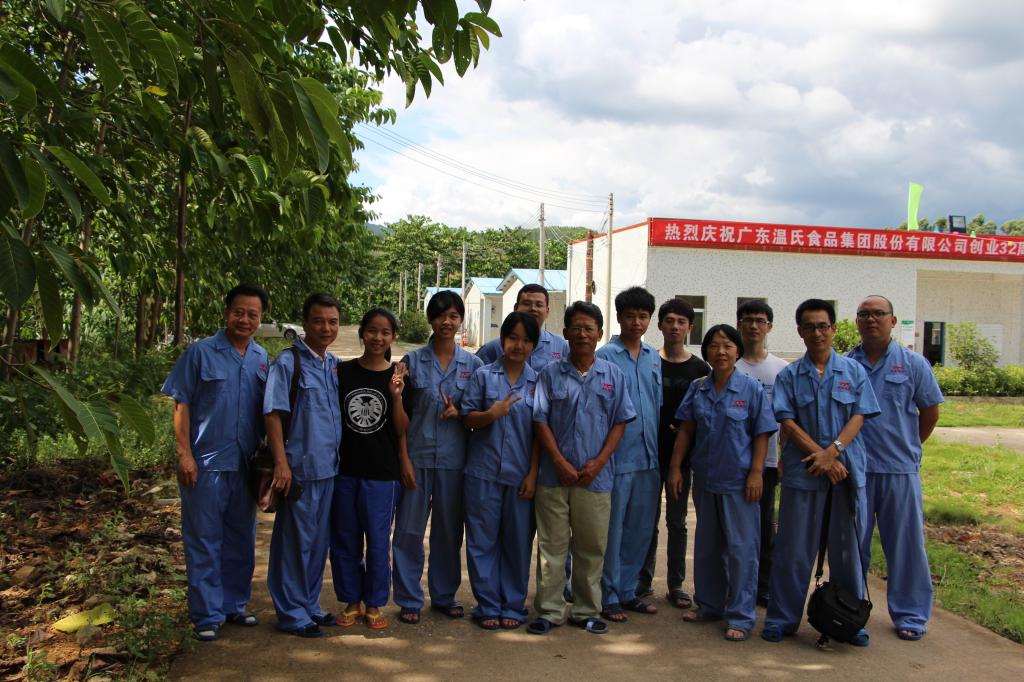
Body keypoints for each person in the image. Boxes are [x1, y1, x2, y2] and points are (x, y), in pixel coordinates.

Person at [762, 299, 880, 645]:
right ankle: (781, 619)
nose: (817, 333)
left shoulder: (853, 372)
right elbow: (786, 420)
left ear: (833, 329)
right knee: (793, 549)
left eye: (823, 326)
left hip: (845, 473)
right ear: (800, 331)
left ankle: (850, 619)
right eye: (810, 327)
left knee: (848, 551)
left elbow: (859, 415)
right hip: (805, 473)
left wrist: (834, 452)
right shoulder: (789, 375)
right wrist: (821, 455)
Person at [161, 284, 270, 642]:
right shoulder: (200, 353)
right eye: (239, 312)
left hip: (245, 466)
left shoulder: (260, 358)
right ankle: (206, 614)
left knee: (241, 538)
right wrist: (185, 455)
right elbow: (181, 404)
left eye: (252, 314)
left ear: (261, 318)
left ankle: (234, 604)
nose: (245, 319)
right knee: (204, 540)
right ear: (227, 312)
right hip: (205, 464)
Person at [528, 301, 636, 636]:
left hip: (596, 478)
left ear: (600, 334)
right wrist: (559, 462)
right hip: (553, 477)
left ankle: (586, 610)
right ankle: (549, 610)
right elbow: (540, 421)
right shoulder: (549, 374)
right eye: (576, 327)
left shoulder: (613, 376)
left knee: (591, 547)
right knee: (551, 547)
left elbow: (620, 422)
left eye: (589, 328)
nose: (582, 334)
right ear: (565, 333)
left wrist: (599, 461)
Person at [668, 324, 776, 641]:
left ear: (737, 350)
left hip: (740, 483)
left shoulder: (751, 389)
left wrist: (756, 472)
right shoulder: (699, 387)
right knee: (708, 548)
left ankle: (741, 616)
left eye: (728, 345)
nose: (721, 352)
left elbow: (762, 433)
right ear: (706, 352)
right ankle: (710, 605)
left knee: (742, 550)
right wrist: (675, 468)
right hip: (707, 480)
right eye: (714, 346)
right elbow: (686, 430)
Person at [848, 295, 943, 641]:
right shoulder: (847, 365)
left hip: (899, 470)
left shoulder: (913, 364)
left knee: (906, 546)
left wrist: (910, 446)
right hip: (857, 471)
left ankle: (910, 614)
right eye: (864, 314)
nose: (871, 319)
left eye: (878, 314)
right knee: (851, 547)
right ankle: (850, 612)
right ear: (857, 322)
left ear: (892, 320)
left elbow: (930, 411)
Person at [393, 290, 483, 624]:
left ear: (461, 321)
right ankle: (408, 598)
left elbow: (477, 415)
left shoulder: (473, 366)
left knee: (448, 532)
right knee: (409, 531)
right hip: (416, 459)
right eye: (441, 315)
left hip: (454, 461)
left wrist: (460, 413)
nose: (447, 322)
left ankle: (444, 595)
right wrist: (403, 459)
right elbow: (400, 417)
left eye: (453, 316)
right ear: (431, 319)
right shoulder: (412, 362)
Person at [264, 293, 343, 638]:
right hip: (300, 469)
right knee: (294, 542)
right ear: (305, 324)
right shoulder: (288, 362)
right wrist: (281, 463)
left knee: (317, 542)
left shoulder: (332, 364)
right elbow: (272, 413)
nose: (326, 328)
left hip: (329, 468)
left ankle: (309, 604)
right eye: (318, 321)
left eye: (333, 322)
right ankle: (291, 612)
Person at [328, 308, 412, 630]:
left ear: (393, 337)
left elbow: (401, 428)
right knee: (345, 539)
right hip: (345, 470)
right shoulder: (342, 372)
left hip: (382, 474)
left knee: (378, 542)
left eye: (385, 332)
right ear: (362, 333)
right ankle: (352, 601)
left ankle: (375, 602)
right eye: (372, 331)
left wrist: (396, 396)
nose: (378, 338)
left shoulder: (399, 378)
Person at [461, 312, 541, 630]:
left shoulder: (538, 382)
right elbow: (467, 419)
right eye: (513, 338)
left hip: (520, 476)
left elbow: (540, 434)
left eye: (526, 340)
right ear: (503, 339)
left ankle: (513, 604)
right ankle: (488, 605)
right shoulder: (483, 376)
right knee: (482, 541)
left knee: (518, 543)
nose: (518, 345)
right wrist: (490, 414)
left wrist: (533, 475)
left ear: (534, 345)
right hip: (483, 472)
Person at [595, 287, 662, 622]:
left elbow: (656, 403)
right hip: (617, 459)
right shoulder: (605, 357)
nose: (637, 322)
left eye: (643, 316)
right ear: (619, 317)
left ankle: (627, 590)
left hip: (649, 458)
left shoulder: (653, 357)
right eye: (630, 316)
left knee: (640, 529)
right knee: (613, 530)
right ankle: (608, 594)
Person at [637, 298, 709, 609]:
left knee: (677, 522)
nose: (675, 327)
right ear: (660, 325)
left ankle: (676, 584)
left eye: (681, 322)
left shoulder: (700, 369)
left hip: (683, 458)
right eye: (669, 321)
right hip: (649, 455)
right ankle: (642, 581)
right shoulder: (649, 360)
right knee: (646, 521)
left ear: (690, 327)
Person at [734, 300, 789, 606]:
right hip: (733, 461)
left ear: (769, 327)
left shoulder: (781, 369)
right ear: (739, 324)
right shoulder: (729, 365)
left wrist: (782, 458)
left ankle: (763, 586)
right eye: (747, 320)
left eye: (760, 320)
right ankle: (733, 584)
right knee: (734, 527)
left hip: (767, 462)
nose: (753, 326)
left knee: (764, 525)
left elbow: (788, 420)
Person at [477, 283, 569, 371]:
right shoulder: (493, 348)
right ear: (516, 308)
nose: (533, 309)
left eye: (539, 305)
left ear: (547, 311)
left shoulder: (560, 346)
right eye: (527, 304)